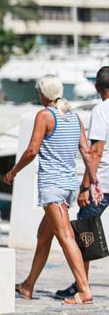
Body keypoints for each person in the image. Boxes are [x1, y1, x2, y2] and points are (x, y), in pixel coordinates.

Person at [5, 74, 103, 305]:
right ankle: (28, 285)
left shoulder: (45, 115)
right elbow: (86, 151)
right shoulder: (73, 115)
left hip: (53, 188)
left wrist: (13, 172)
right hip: (68, 186)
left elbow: (31, 151)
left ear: (42, 94)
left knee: (66, 236)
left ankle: (84, 290)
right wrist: (93, 181)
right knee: (44, 236)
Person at [54, 66, 109, 298]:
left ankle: (81, 284)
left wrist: (86, 186)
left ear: (97, 87)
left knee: (85, 232)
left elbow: (95, 151)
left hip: (103, 183)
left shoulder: (102, 110)